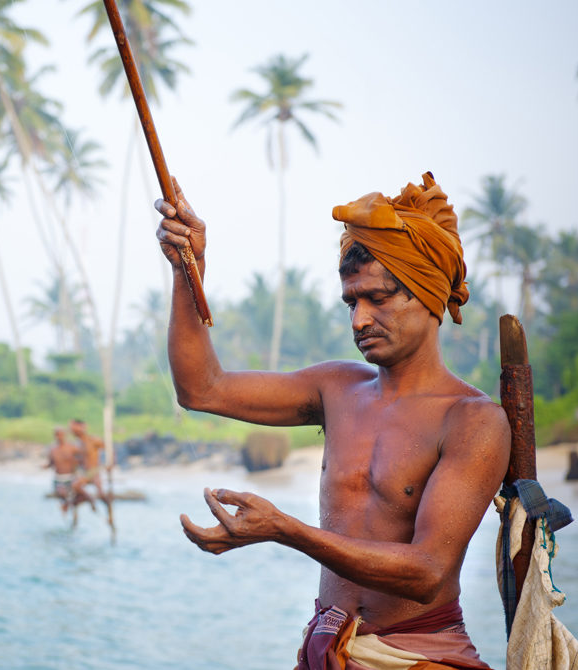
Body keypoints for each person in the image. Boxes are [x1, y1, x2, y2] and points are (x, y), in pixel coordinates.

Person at [155, 173, 510, 669]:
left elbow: (428, 571)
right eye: (351, 302)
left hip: (417, 654)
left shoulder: (473, 421)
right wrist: (186, 268)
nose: (359, 320)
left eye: (378, 299)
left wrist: (284, 529)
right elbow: (201, 388)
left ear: (429, 296)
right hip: (327, 647)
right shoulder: (337, 388)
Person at [43, 427, 82, 515]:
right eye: (57, 435)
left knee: (76, 490)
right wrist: (44, 467)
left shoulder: (72, 448)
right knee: (62, 493)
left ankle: (69, 506)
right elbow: (50, 464)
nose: (59, 437)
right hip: (58, 478)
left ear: (65, 435)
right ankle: (66, 506)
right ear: (55, 436)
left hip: (70, 477)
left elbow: (81, 459)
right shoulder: (52, 450)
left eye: (61, 435)